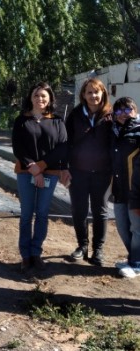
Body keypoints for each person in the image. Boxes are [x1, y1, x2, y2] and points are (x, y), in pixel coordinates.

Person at [11, 82, 67, 271]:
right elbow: (18, 147)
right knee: (27, 213)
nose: (40, 99)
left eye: (43, 96)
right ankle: (25, 255)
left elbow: (62, 147)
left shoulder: (57, 121)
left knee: (42, 213)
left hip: (49, 173)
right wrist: (31, 167)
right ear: (30, 98)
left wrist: (41, 167)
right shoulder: (21, 120)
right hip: (26, 173)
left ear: (50, 98)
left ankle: (36, 252)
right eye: (36, 95)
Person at [62, 78, 112, 266]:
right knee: (79, 210)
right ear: (83, 95)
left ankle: (98, 249)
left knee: (100, 211)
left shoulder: (110, 115)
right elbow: (65, 142)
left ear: (102, 94)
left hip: (102, 173)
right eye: (89, 92)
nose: (93, 96)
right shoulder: (75, 115)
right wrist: (64, 166)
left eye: (96, 92)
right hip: (78, 172)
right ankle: (82, 246)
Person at [110, 97, 140, 278]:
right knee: (122, 227)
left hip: (136, 192)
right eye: (119, 111)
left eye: (127, 110)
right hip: (119, 191)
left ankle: (136, 265)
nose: (123, 114)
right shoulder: (114, 132)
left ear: (135, 111)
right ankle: (133, 258)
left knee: (137, 229)